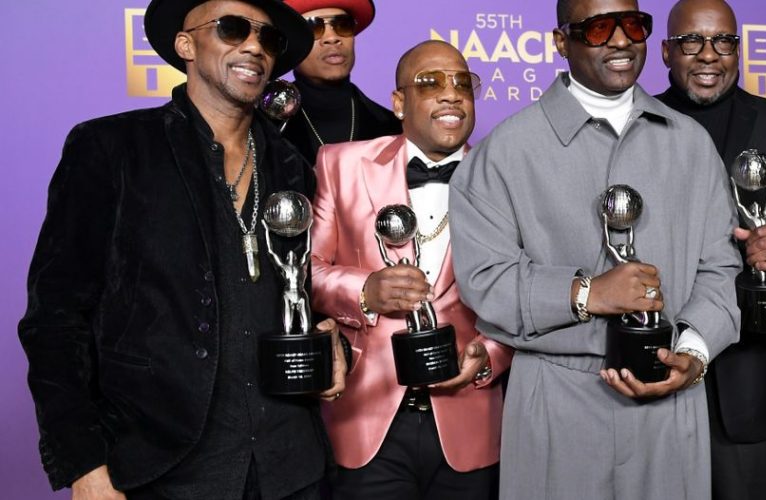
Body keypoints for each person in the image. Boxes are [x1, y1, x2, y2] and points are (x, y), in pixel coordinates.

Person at [18, 0, 347, 498]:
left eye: (269, 38)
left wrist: (331, 342)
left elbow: (301, 290)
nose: (254, 46)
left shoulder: (292, 166)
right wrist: (83, 463)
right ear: (185, 44)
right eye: (233, 29)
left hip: (292, 465)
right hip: (165, 465)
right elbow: (56, 319)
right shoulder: (112, 148)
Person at [448, 0, 741, 497]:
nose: (622, 40)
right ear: (561, 42)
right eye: (599, 28)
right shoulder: (505, 150)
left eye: (634, 25)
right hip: (555, 401)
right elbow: (485, 280)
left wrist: (692, 353)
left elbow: (720, 266)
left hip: (667, 395)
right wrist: (587, 293)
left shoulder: (691, 143)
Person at [310, 40, 512, 500]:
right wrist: (365, 290)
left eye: (463, 83)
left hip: (469, 421)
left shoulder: (505, 177)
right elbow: (309, 271)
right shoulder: (340, 164)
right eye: (430, 83)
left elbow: (524, 292)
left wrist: (491, 356)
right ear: (399, 102)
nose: (451, 93)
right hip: (365, 420)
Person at [654, 1, 766, 498]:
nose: (709, 55)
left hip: (756, 387)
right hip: (655, 375)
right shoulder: (634, 124)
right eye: (691, 42)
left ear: (738, 50)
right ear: (666, 51)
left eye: (723, 41)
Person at [280, 0, 401, 165]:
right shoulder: (265, 126)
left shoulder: (393, 129)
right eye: (313, 27)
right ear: (291, 44)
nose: (332, 38)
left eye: (343, 25)